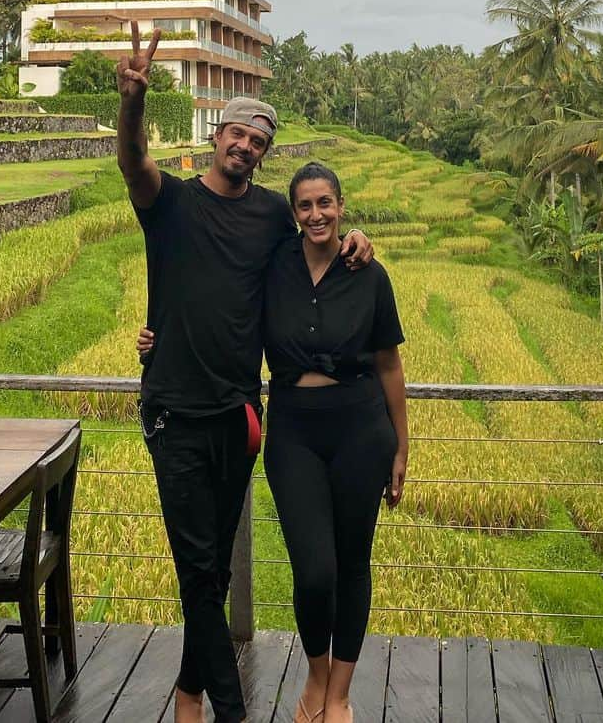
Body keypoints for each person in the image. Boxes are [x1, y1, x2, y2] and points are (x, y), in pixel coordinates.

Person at [116, 24, 372, 723]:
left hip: (239, 415)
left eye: (258, 143)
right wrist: (133, 101)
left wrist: (354, 240)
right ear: (216, 135)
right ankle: (232, 712)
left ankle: (189, 695)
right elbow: (132, 159)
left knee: (215, 573)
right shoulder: (168, 202)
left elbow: (314, 251)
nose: (245, 147)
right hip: (173, 410)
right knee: (199, 576)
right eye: (238, 135)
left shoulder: (270, 218)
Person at [140, 159, 409, 723]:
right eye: (306, 205)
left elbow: (388, 364)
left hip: (362, 427)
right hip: (294, 428)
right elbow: (215, 300)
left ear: (341, 207)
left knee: (354, 561)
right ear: (293, 214)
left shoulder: (368, 272)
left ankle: (337, 696)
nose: (317, 214)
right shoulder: (273, 264)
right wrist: (159, 336)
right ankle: (314, 677)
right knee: (314, 569)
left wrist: (402, 448)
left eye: (326, 204)